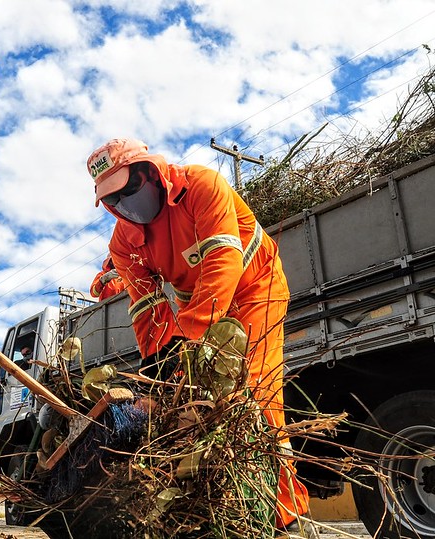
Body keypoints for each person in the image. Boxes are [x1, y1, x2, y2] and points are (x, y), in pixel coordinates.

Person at [86, 138, 314, 536]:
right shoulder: (123, 243)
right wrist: (158, 359)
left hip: (254, 289)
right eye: (113, 199)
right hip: (199, 306)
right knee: (190, 405)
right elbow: (146, 306)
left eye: (128, 189)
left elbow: (224, 259)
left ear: (151, 172)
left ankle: (285, 515)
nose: (124, 203)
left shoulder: (202, 186)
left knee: (253, 395)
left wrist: (190, 336)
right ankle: (217, 512)